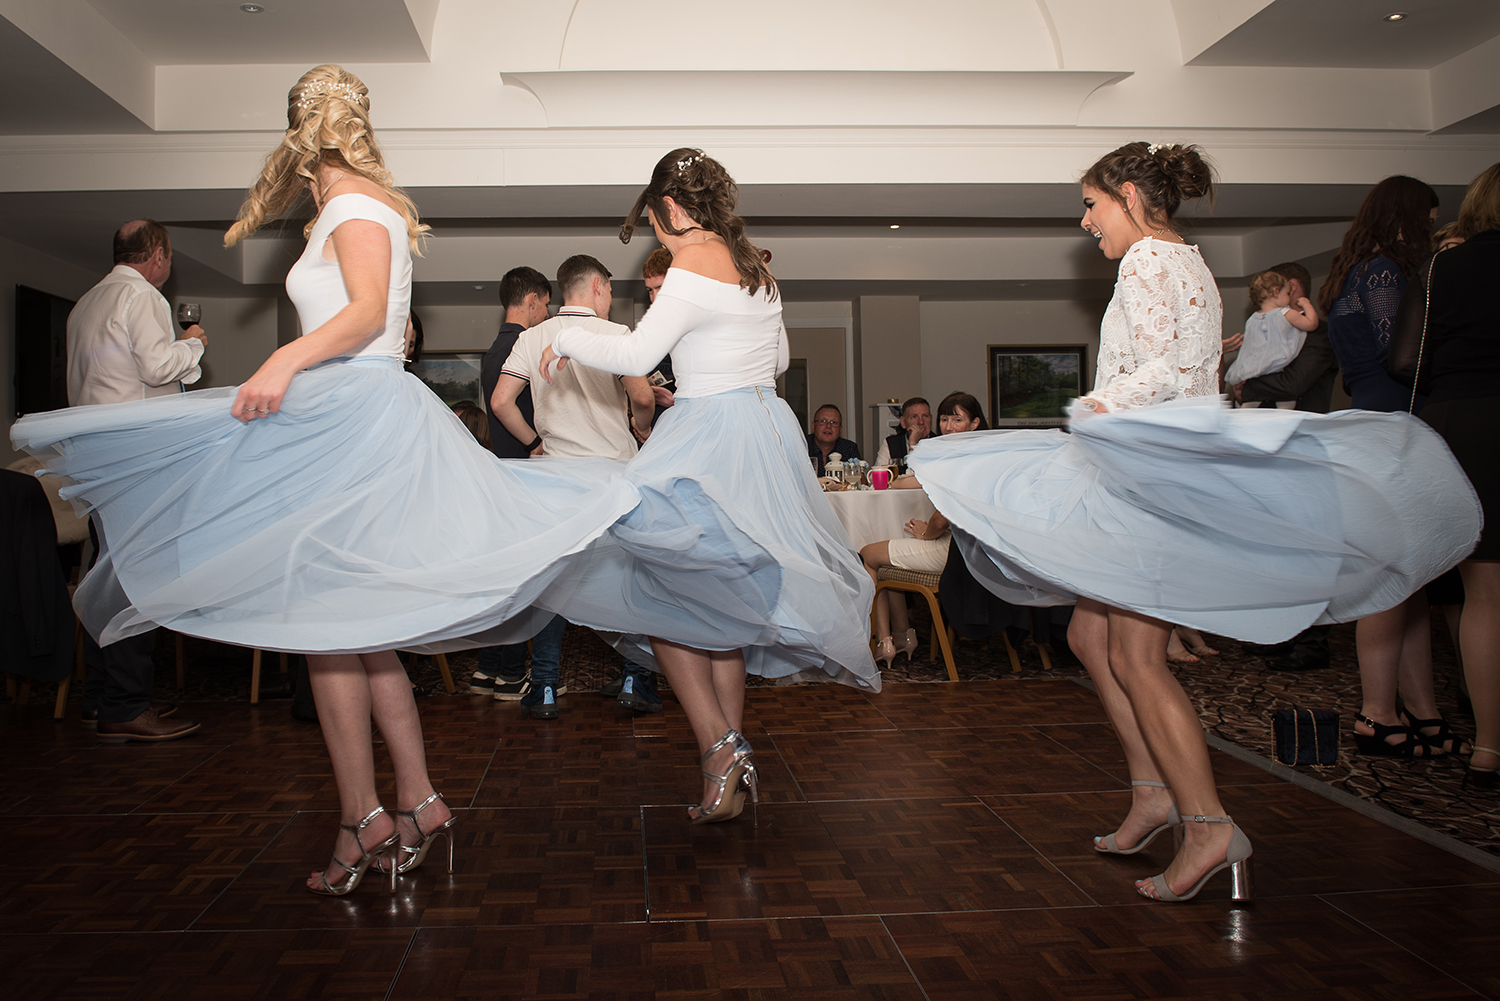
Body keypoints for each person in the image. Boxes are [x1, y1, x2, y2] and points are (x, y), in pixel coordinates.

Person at [13, 65, 640, 894]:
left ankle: (365, 819)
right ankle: (408, 804)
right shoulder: (343, 209)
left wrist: (282, 359)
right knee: (353, 626)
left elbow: (367, 311)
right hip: (340, 411)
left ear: (304, 139)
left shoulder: (353, 204)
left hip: (352, 412)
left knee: (327, 625)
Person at [909, 142, 1479, 903]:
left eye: (1092, 204)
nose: (1086, 221)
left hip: (1151, 469)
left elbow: (1163, 374)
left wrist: (1094, 409)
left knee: (1140, 655)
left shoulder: (1146, 259)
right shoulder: (1192, 262)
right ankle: (1152, 791)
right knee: (1088, 633)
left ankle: (1209, 825)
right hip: (1162, 459)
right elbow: (1200, 369)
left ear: (1134, 196)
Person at [537, 147, 878, 823]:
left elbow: (636, 354)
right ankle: (726, 761)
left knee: (660, 586)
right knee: (722, 601)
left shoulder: (691, 262)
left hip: (708, 434)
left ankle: (721, 748)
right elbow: (777, 359)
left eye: (657, 225)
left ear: (670, 208)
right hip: (765, 429)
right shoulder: (758, 270)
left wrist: (568, 339)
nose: (660, 240)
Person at [1322, 176, 1461, 759]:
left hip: (1379, 419)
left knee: (1412, 577)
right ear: (1407, 218)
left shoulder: (1358, 270)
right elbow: (1401, 355)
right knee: (1389, 578)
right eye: (1427, 220)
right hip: (1393, 421)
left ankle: (1423, 712)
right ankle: (1376, 712)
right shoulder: (1382, 272)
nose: (1430, 229)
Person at [492, 254, 660, 717]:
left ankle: (544, 686)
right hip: (613, 475)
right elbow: (643, 395)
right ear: (600, 287)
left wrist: (533, 444)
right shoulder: (618, 335)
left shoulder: (531, 336)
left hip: (557, 478)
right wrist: (640, 425)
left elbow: (501, 401)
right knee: (630, 578)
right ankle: (633, 678)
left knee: (555, 581)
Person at [65, 219, 206, 743]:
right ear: (160, 254)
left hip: (96, 459)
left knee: (106, 574)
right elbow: (156, 367)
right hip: (136, 459)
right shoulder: (141, 295)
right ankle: (125, 704)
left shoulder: (85, 303)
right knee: (135, 581)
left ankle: (100, 697)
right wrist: (193, 343)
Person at [1403, 162, 1500, 789]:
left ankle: (1488, 747)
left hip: (1457, 422)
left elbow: (1409, 357)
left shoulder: (1447, 265)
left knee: (1481, 596)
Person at [470, 265, 552, 702]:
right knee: (525, 580)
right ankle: (510, 674)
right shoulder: (523, 344)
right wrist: (537, 442)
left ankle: (488, 669)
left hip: (500, 471)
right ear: (533, 300)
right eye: (546, 303)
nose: (547, 312)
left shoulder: (492, 348)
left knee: (506, 577)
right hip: (524, 471)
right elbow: (504, 406)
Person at [859, 392, 983, 667]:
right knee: (888, 549)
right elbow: (911, 482)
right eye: (945, 419)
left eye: (957, 419)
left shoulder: (958, 460)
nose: (949, 426)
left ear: (974, 424)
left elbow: (944, 516)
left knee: (868, 553)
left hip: (953, 553)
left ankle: (883, 641)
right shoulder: (972, 454)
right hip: (973, 551)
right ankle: (904, 636)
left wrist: (929, 532)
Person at [1236, 261, 1339, 414]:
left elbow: (1292, 385)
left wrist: (1247, 387)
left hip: (1300, 431)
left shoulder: (1319, 333)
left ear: (1291, 286)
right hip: (1258, 427)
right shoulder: (1261, 325)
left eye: (1270, 287)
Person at [1222, 270, 1319, 396]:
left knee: (1250, 403)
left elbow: (1248, 349)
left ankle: (1249, 400)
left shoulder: (1252, 319)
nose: (1289, 298)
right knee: (1286, 404)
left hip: (1255, 368)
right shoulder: (1285, 313)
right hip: (1278, 363)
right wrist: (1306, 304)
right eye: (1287, 293)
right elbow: (1312, 324)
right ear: (1275, 291)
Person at [873, 397, 931, 468]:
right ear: (903, 422)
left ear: (931, 419)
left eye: (925, 416)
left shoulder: (939, 443)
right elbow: (877, 475)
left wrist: (913, 445)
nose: (921, 422)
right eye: (914, 417)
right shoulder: (891, 443)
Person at [807, 403, 859, 476]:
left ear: (840, 429)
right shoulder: (802, 446)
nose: (828, 426)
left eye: (833, 422)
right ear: (813, 426)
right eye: (823, 421)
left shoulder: (849, 448)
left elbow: (859, 480)